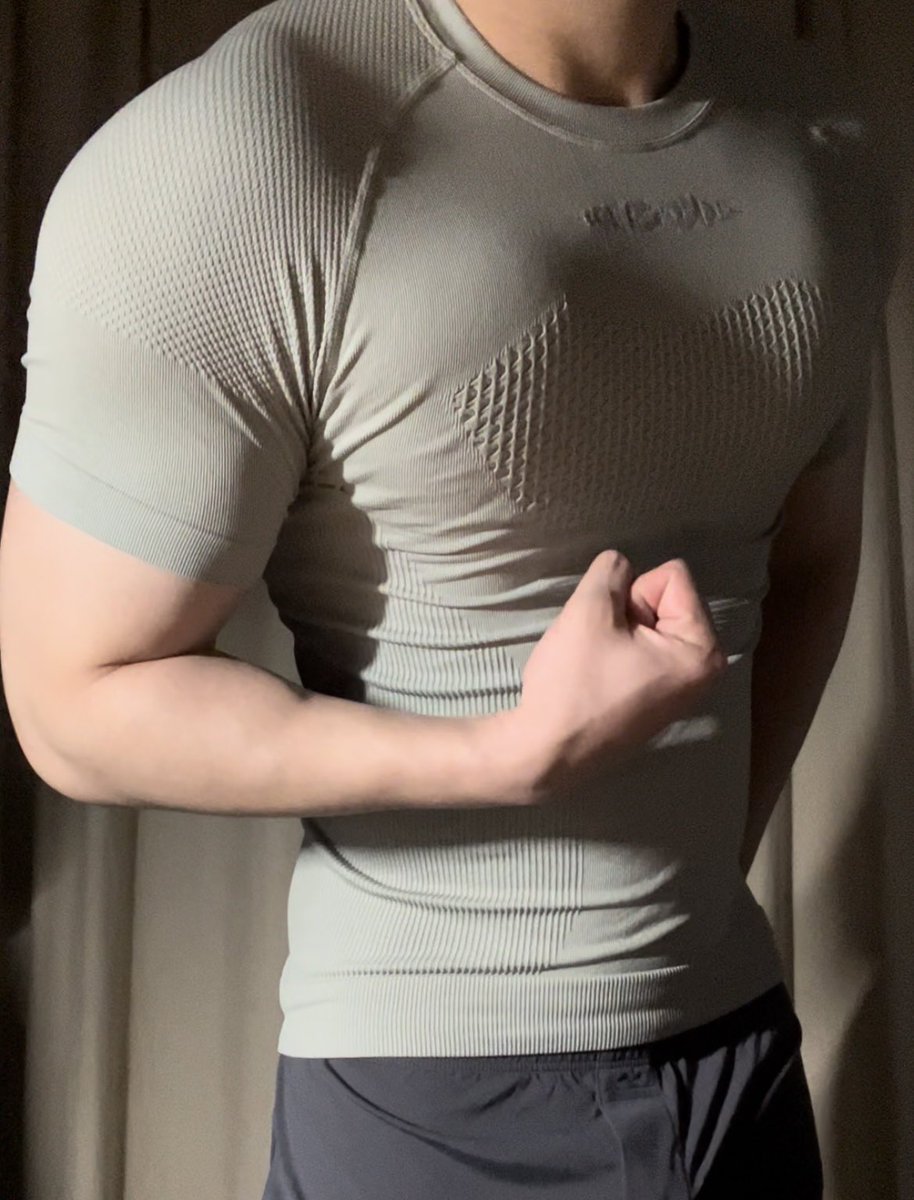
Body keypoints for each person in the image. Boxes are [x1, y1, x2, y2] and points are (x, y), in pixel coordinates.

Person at [0, 0, 901, 1195]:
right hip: (434, 1099)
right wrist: (503, 757)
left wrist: (679, 896)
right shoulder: (248, 145)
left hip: (739, 1053)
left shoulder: (818, 131)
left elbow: (810, 561)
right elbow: (72, 702)